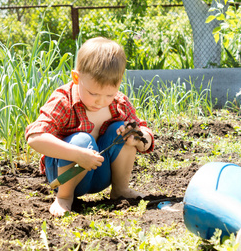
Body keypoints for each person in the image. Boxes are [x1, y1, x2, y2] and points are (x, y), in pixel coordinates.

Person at [25, 37, 154, 217]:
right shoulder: (64, 100)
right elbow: (34, 137)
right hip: (65, 175)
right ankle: (64, 197)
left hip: (100, 174)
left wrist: (138, 138)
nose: (101, 101)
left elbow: (145, 134)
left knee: (123, 130)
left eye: (109, 94)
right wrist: (76, 154)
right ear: (76, 78)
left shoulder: (119, 103)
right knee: (82, 140)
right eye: (93, 93)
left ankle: (120, 190)